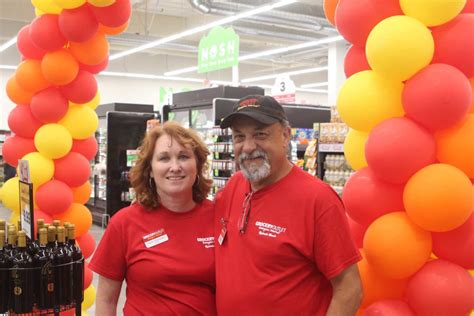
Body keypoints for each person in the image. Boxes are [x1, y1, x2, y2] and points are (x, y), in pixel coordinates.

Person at [215, 95, 363, 316]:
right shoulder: (233, 187)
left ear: (285, 135)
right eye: (239, 137)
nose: (248, 146)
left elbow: (349, 289)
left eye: (260, 134)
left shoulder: (317, 200)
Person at [89, 121, 216, 315]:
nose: (175, 167)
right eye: (164, 158)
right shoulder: (124, 223)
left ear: (197, 165)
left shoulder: (219, 216)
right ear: (150, 169)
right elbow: (106, 300)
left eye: (183, 157)